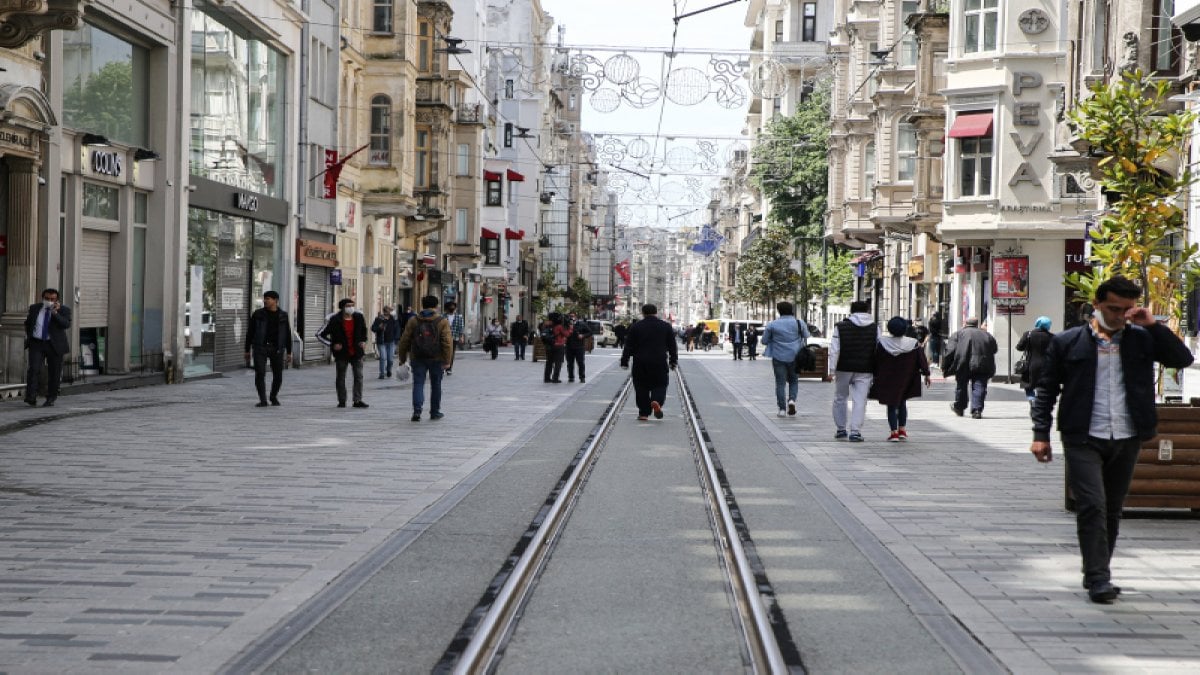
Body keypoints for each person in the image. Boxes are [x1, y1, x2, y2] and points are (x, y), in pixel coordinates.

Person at [1030, 276, 1194, 604]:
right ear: (1097, 304)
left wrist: (1153, 325)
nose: (1120, 315)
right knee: (1092, 504)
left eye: (1126, 309)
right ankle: (1098, 579)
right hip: (1082, 435)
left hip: (1127, 434)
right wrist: (1040, 435)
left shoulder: (1141, 339)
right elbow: (1046, 389)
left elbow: (1182, 359)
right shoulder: (1067, 342)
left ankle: (1099, 569)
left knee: (1112, 508)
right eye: (1113, 308)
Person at [870, 316, 931, 442]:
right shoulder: (912, 343)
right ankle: (902, 430)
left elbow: (876, 361)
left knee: (891, 405)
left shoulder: (882, 343)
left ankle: (894, 433)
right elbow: (922, 360)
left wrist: (873, 375)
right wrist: (927, 374)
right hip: (907, 377)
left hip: (888, 378)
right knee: (902, 402)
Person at [397, 295, 454, 421]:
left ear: (422, 305)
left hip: (417, 357)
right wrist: (447, 360)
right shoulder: (442, 321)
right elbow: (447, 342)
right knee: (436, 384)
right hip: (436, 358)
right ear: (436, 305)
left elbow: (404, 340)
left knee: (418, 383)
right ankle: (435, 412)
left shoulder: (414, 320)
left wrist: (402, 359)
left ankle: (417, 411)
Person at [829, 300, 878, 442]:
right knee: (860, 400)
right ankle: (855, 431)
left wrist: (832, 370)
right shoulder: (875, 328)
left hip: (843, 367)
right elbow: (878, 348)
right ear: (868, 310)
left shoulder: (841, 327)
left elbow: (834, 350)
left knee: (840, 398)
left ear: (851, 311)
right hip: (865, 368)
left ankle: (841, 429)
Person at [621, 304, 679, 420]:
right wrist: (673, 360)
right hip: (659, 361)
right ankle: (656, 401)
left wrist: (625, 361)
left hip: (640, 362)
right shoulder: (665, 326)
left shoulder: (636, 326)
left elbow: (628, 345)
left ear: (643, 313)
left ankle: (643, 413)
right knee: (660, 384)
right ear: (656, 312)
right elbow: (673, 346)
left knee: (641, 386)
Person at [23, 288, 72, 407]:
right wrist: (30, 335)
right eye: (47, 299)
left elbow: (66, 324)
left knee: (54, 372)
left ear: (57, 300)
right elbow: (28, 322)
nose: (49, 301)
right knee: (33, 369)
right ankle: (31, 396)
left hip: (54, 344)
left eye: (52, 299)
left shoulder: (64, 310)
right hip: (37, 343)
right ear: (42, 298)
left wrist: (55, 313)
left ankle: (51, 397)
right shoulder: (34, 308)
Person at [318, 298, 369, 408]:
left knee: (359, 376)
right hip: (342, 353)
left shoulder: (358, 317)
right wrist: (332, 344)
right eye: (348, 305)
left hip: (357, 352)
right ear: (342, 307)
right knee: (341, 377)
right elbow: (320, 334)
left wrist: (363, 341)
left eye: (352, 305)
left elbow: (364, 331)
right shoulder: (334, 319)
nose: (351, 307)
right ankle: (342, 400)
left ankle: (357, 400)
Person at [244, 290, 293, 407]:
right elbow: (250, 332)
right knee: (260, 373)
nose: (265, 301)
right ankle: (263, 399)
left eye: (268, 299)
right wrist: (247, 349)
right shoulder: (258, 314)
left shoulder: (283, 315)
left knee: (278, 375)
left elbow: (287, 333)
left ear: (275, 301)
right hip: (260, 347)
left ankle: (273, 396)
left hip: (277, 348)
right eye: (265, 298)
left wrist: (289, 352)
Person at [762, 302, 809, 418]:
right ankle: (792, 400)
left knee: (780, 383)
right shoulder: (799, 323)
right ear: (791, 310)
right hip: (795, 356)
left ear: (778, 311)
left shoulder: (772, 324)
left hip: (778, 356)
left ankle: (782, 409)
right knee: (793, 381)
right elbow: (806, 335)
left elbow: (764, 341)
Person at [943, 316, 997, 419]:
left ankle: (960, 407)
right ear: (977, 324)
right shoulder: (987, 335)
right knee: (979, 386)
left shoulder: (958, 334)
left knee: (961, 386)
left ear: (965, 323)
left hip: (963, 363)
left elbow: (950, 351)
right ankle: (977, 410)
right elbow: (994, 349)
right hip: (982, 364)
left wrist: (946, 366)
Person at [1016, 316, 1054, 403]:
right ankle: (1041, 401)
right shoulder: (1052, 337)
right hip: (1047, 365)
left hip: (1030, 365)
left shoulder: (1028, 334)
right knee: (1044, 386)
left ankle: (1031, 399)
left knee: (1028, 385)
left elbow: (1019, 347)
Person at [371, 306, 401, 379]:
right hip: (382, 342)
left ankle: (388, 370)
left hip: (391, 342)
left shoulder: (393, 319)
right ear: (384, 311)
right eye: (385, 311)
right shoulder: (379, 319)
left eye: (388, 311)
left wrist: (396, 339)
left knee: (390, 359)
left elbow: (397, 329)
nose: (387, 312)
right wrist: (379, 328)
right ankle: (381, 373)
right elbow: (373, 328)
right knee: (383, 358)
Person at [541, 312, 570, 383]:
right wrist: (569, 329)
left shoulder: (546, 325)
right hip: (558, 345)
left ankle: (547, 378)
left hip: (549, 346)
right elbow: (567, 334)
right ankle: (555, 378)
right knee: (558, 363)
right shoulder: (559, 326)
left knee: (549, 362)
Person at [565, 313, 592, 383]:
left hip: (579, 346)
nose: (571, 318)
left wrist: (583, 335)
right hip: (569, 346)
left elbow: (590, 332)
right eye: (570, 316)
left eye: (573, 316)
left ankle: (582, 377)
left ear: (576, 317)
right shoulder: (566, 324)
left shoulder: (582, 324)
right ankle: (571, 377)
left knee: (580, 362)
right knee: (570, 363)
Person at [443, 301, 464, 375]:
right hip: (444, 337)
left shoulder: (459, 317)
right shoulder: (443, 316)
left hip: (454, 337)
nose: (452, 308)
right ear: (447, 308)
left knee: (451, 353)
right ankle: (443, 366)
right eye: (450, 307)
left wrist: (461, 336)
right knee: (443, 352)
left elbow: (461, 327)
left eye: (453, 306)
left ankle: (449, 368)